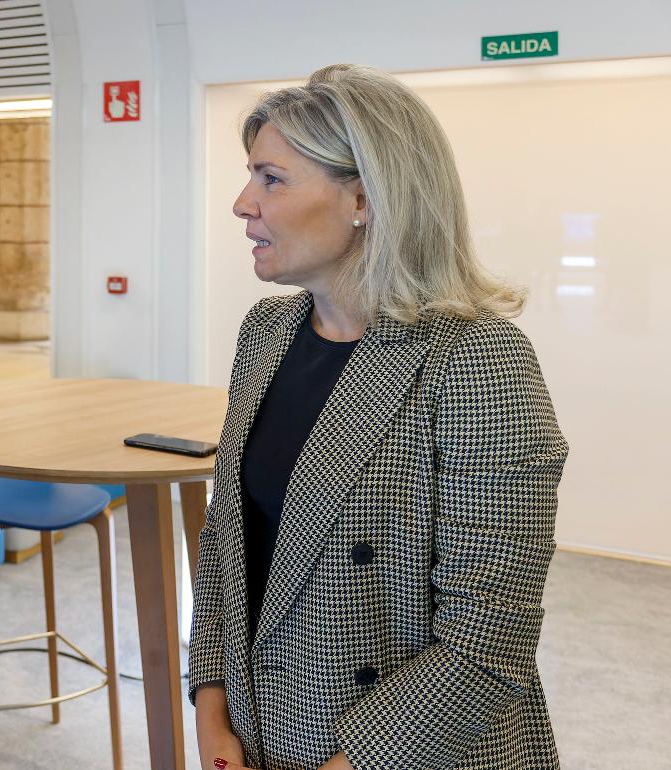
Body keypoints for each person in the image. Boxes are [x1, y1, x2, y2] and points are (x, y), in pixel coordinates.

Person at [189, 64, 568, 770]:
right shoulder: (266, 334)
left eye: (271, 179)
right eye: (251, 176)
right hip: (259, 734)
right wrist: (213, 711)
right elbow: (225, 544)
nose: (243, 202)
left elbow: (489, 638)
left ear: (362, 197)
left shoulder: (477, 360)